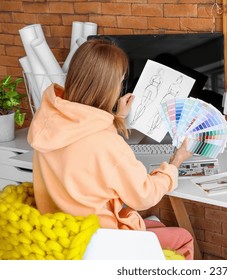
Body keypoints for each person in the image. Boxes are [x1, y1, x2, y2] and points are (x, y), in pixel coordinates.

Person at [27, 39, 195, 259]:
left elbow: (84, 139)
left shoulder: (47, 123)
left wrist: (118, 118)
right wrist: (175, 163)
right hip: (102, 245)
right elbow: (145, 195)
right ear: (109, 86)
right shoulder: (107, 145)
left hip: (63, 238)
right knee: (183, 237)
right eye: (120, 80)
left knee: (156, 225)